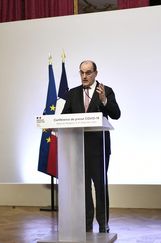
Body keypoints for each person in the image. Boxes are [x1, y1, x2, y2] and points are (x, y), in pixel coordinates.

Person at [62, 60, 121, 233]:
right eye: (82, 72)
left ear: (96, 73)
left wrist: (104, 101)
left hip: (99, 149)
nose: (84, 76)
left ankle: (103, 224)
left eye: (88, 72)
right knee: (83, 188)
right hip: (78, 148)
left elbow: (116, 114)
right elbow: (64, 117)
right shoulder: (72, 94)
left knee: (100, 186)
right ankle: (86, 224)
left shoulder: (106, 91)